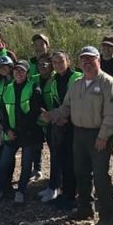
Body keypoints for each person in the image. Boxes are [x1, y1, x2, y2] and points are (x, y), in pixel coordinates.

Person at [42, 46, 113, 225]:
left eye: (90, 59)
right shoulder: (77, 84)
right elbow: (66, 107)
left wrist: (103, 136)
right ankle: (85, 208)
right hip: (79, 134)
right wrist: (51, 115)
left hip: (99, 135)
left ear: (98, 60)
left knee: (101, 176)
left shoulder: (108, 83)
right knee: (81, 172)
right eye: (83, 60)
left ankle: (107, 216)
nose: (86, 63)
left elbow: (112, 115)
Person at [0, 60, 44, 203]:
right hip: (11, 133)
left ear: (27, 73)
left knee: (26, 165)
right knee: (3, 163)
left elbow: (34, 112)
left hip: (28, 134)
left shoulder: (34, 88)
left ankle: (21, 191)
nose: (19, 73)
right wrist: (7, 129)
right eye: (16, 70)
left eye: (22, 70)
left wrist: (20, 129)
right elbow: (4, 113)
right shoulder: (8, 88)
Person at [40, 51, 82, 206]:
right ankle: (65, 192)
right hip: (60, 123)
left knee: (72, 160)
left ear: (68, 61)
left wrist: (65, 118)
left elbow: (77, 102)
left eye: (61, 61)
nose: (58, 65)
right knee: (63, 159)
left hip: (74, 124)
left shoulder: (76, 78)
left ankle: (73, 196)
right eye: (55, 62)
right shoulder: (54, 80)